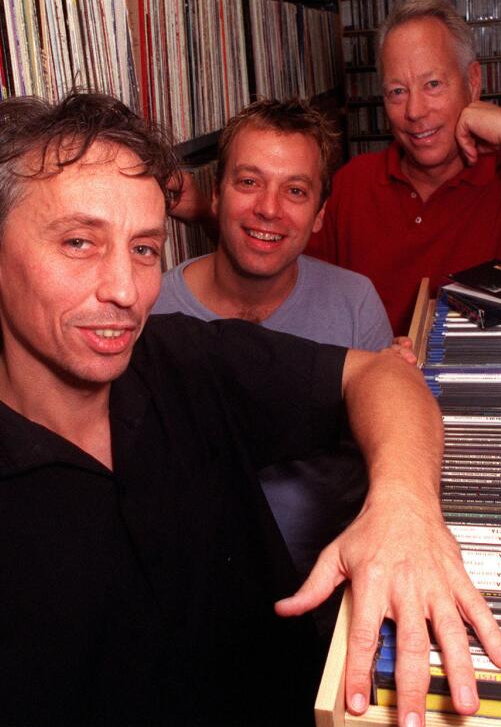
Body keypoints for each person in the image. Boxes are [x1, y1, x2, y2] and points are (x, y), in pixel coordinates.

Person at [0, 92, 501, 727]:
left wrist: (403, 508)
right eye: (79, 242)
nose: (125, 288)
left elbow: (385, 381)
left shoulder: (185, 360)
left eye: (144, 248)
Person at [154, 98, 390, 586]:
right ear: (215, 196)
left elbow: (386, 445)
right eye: (248, 181)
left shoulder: (355, 301)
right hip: (199, 585)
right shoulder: (152, 309)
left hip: (334, 584)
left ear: (320, 215)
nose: (268, 208)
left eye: (296, 191)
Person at [307, 0, 501, 333]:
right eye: (397, 92)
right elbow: (299, 297)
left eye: (432, 85)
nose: (415, 111)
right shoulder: (352, 183)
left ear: (472, 82)